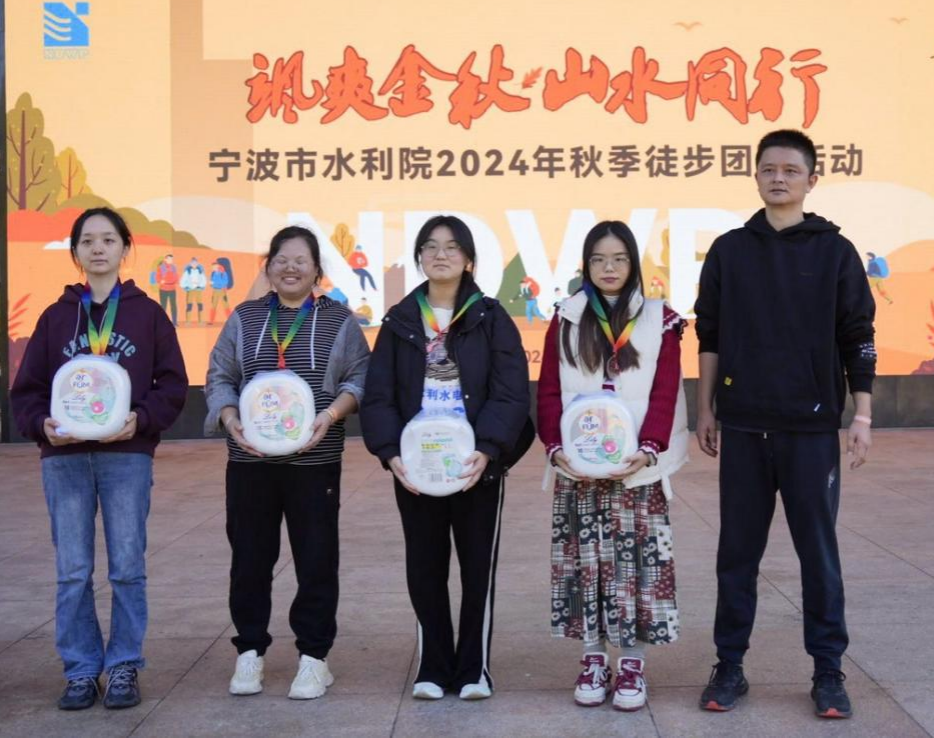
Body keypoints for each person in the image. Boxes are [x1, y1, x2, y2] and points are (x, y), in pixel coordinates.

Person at [695, 129, 876, 719]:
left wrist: (862, 414)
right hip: (745, 427)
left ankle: (828, 671)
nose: (778, 178)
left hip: (811, 430)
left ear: (811, 180)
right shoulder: (729, 251)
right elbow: (709, 334)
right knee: (736, 555)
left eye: (791, 170)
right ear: (756, 176)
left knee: (818, 555)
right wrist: (706, 408)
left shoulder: (835, 253)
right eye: (768, 169)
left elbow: (858, 336)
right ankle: (729, 666)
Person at [10, 207, 189, 712]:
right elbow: (27, 392)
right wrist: (41, 425)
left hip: (126, 457)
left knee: (127, 568)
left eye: (108, 239)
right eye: (87, 240)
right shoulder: (55, 317)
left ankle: (124, 664)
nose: (98, 248)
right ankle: (82, 670)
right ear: (75, 252)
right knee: (72, 571)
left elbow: (172, 384)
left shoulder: (147, 315)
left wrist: (141, 420)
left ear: (124, 248)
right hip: (64, 459)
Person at [361, 215, 533, 702]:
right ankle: (433, 667)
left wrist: (488, 450)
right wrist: (391, 453)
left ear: (469, 258)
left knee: (477, 570)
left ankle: (475, 669)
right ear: (419, 256)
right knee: (425, 568)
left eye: (452, 246)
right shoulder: (399, 319)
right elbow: (379, 394)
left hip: (475, 466)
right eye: (431, 246)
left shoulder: (490, 317)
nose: (441, 254)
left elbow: (510, 391)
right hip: (417, 468)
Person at [204, 226, 370, 701]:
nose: (291, 268)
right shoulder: (245, 317)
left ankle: (314, 658)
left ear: (317, 270)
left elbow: (360, 378)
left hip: (315, 462)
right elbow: (220, 376)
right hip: (249, 461)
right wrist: (230, 419)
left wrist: (331, 415)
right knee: (250, 559)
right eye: (281, 259)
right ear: (268, 267)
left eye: (301, 260)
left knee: (316, 560)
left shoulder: (339, 320)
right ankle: (249, 650)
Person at [537, 221, 689, 712]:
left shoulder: (659, 319)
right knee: (586, 566)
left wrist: (649, 447)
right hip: (578, 472)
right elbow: (549, 389)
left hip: (637, 471)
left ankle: (632, 664)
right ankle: (593, 659)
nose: (609, 268)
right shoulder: (566, 316)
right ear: (586, 265)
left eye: (619, 259)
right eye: (599, 259)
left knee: (638, 568)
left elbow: (666, 391)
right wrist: (555, 446)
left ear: (633, 264)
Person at [209, 257, 234, 324]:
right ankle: (211, 321)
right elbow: (212, 282)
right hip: (215, 291)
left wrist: (222, 285)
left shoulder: (223, 273)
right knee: (213, 305)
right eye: (213, 267)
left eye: (215, 266)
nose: (214, 268)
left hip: (222, 291)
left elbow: (225, 281)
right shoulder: (213, 273)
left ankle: (231, 320)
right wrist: (212, 284)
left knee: (226, 306)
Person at [156, 254, 179, 325]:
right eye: (169, 259)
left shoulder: (174, 267)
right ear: (165, 259)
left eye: (171, 259)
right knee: (163, 306)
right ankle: (162, 322)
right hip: (163, 289)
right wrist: (161, 281)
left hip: (172, 289)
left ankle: (174, 322)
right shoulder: (161, 267)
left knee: (173, 306)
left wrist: (174, 281)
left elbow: (176, 277)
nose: (171, 260)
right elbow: (157, 278)